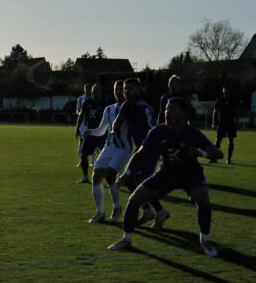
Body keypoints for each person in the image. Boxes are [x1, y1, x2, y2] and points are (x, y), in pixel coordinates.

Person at [107, 97, 224, 255]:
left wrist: (201, 153)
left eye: (173, 109)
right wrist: (127, 173)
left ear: (183, 113)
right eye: (167, 108)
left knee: (203, 199)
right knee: (134, 200)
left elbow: (218, 154)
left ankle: (205, 240)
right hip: (167, 173)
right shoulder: (158, 131)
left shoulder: (192, 133)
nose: (167, 112)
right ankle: (126, 239)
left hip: (190, 174)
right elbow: (139, 154)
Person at [112, 77, 168, 225]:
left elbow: (116, 125)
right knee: (133, 180)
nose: (126, 91)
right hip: (151, 145)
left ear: (138, 89)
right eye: (125, 88)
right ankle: (149, 210)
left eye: (130, 88)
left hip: (147, 147)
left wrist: (115, 137)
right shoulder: (144, 104)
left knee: (136, 180)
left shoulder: (129, 103)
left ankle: (159, 210)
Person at [82, 80, 127, 222]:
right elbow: (102, 130)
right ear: (113, 92)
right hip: (110, 146)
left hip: (124, 147)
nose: (119, 92)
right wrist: (91, 132)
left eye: (121, 89)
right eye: (116, 89)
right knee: (96, 176)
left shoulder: (131, 108)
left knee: (110, 175)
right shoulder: (109, 109)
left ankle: (117, 207)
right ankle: (100, 212)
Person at [74, 84, 107, 184]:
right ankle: (85, 177)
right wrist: (77, 128)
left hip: (102, 133)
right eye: (94, 90)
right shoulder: (86, 102)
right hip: (90, 133)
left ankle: (114, 176)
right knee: (83, 154)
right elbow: (81, 115)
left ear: (101, 92)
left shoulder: (105, 104)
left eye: (97, 90)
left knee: (108, 155)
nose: (95, 92)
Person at [212, 85, 238, 164]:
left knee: (231, 141)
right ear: (223, 92)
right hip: (222, 122)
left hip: (231, 123)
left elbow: (236, 112)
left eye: (227, 92)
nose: (226, 93)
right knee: (218, 141)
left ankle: (229, 159)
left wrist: (237, 121)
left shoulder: (233, 101)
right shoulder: (220, 101)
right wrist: (213, 123)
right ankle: (215, 158)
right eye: (225, 92)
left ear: (230, 92)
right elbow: (215, 112)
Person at [75, 83, 93, 169]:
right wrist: (81, 113)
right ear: (84, 89)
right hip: (82, 124)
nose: (88, 90)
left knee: (93, 142)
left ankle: (92, 162)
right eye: (86, 88)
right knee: (81, 142)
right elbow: (78, 111)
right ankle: (81, 161)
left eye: (89, 89)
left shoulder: (94, 98)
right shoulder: (80, 99)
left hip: (91, 123)